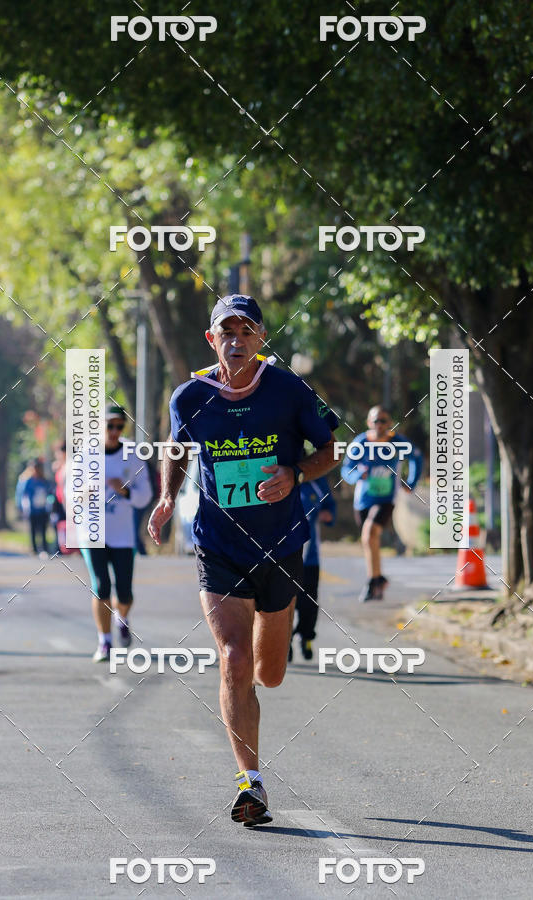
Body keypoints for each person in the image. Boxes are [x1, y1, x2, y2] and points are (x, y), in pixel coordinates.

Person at [147, 294, 337, 827]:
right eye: (225, 331)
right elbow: (177, 449)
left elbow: (328, 452)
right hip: (218, 545)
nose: (235, 340)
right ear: (212, 340)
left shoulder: (289, 390)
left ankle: (254, 689)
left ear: (260, 339)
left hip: (279, 544)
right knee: (233, 659)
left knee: (268, 674)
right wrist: (166, 498)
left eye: (246, 331)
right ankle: (249, 784)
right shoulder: (189, 397)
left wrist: (295, 474)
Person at [80, 405, 153, 663]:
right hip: (93, 533)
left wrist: (124, 491)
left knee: (124, 593)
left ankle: (122, 617)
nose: (113, 431)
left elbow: (145, 495)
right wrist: (86, 490)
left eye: (119, 426)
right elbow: (69, 494)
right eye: (109, 425)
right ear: (99, 425)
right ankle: (105, 641)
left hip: (122, 534)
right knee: (101, 587)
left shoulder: (132, 455)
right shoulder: (85, 455)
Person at [341, 405, 422, 602]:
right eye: (376, 421)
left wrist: (411, 482)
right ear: (369, 423)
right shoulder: (360, 442)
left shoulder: (398, 442)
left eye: (384, 421)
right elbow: (346, 470)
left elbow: (417, 459)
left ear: (389, 423)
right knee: (370, 540)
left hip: (387, 498)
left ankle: (372, 581)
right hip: (363, 500)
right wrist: (359, 474)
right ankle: (378, 579)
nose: (380, 425)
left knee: (369, 534)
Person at [289, 474, 336, 661]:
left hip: (310, 557)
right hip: (283, 557)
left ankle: (306, 637)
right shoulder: (277, 477)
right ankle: (284, 643)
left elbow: (330, 506)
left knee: (309, 602)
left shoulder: (318, 482)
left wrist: (328, 514)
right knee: (285, 601)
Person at [22, 460, 52, 557]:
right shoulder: (28, 481)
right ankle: (34, 549)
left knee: (43, 530)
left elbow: (49, 493)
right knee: (33, 530)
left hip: (42, 509)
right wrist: (25, 507)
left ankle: (44, 548)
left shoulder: (44, 481)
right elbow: (24, 495)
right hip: (32, 510)